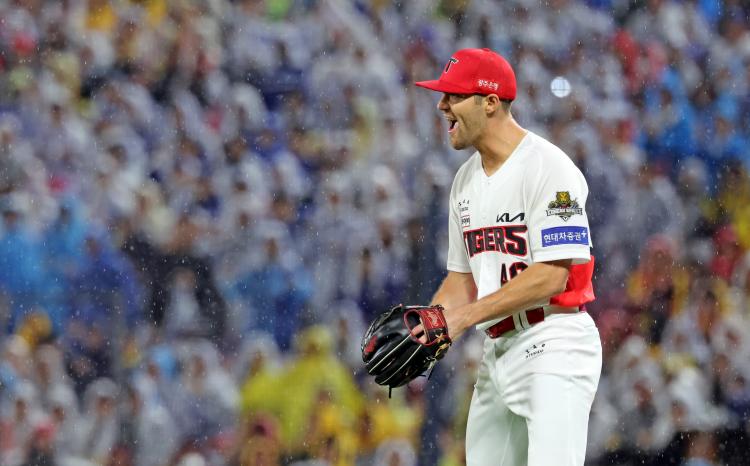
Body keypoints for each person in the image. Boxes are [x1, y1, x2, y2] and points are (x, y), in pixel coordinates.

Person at [413, 48, 602, 466]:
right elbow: (462, 279)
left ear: (490, 102)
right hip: (497, 348)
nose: (442, 105)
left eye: (453, 95)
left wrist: (463, 318)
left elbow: (552, 276)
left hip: (554, 340)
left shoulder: (550, 168)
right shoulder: (463, 181)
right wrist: (428, 327)